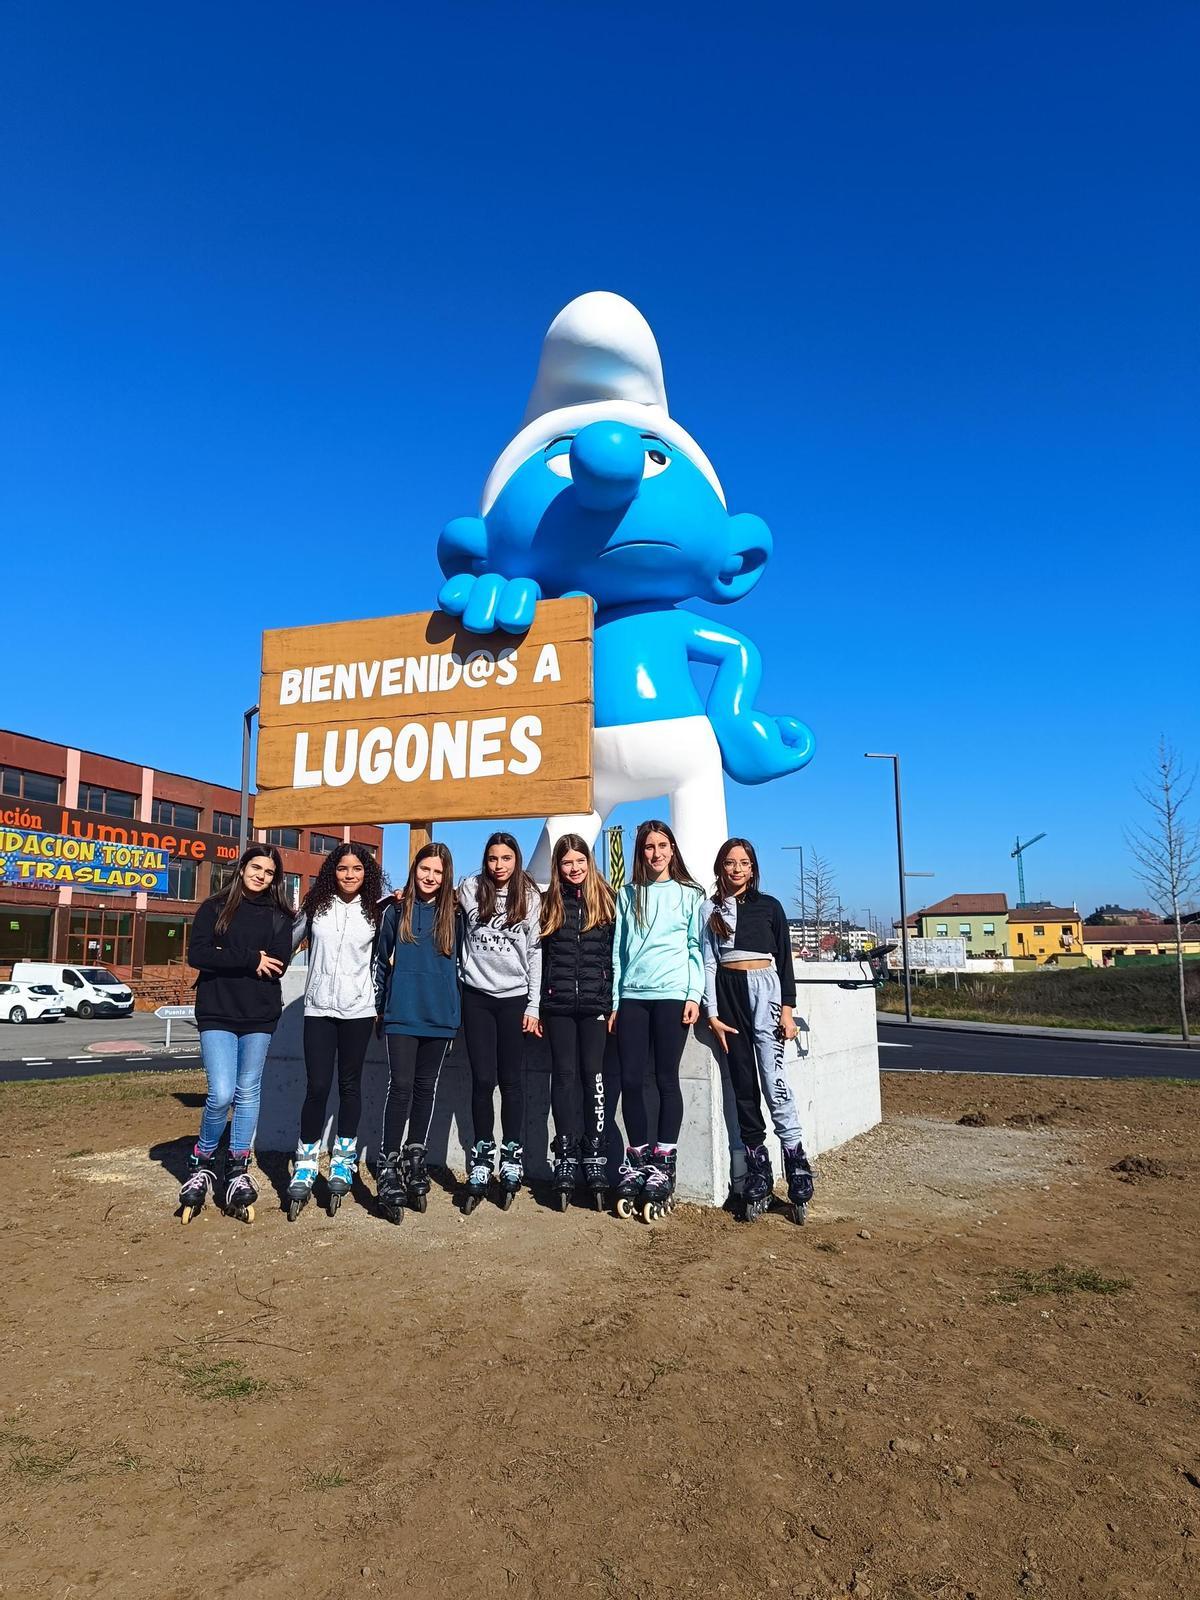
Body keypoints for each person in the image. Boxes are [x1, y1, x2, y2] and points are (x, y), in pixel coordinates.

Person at [701, 837, 815, 1223]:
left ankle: (796, 1160)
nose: (736, 869)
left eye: (743, 863)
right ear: (721, 867)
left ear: (753, 868)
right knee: (743, 1083)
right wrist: (712, 1013)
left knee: (773, 1079)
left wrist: (787, 1011)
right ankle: (757, 1167)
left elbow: (784, 960)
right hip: (728, 996)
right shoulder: (710, 909)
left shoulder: (770, 907)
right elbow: (709, 964)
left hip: (764, 992)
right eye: (730, 863)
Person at [178, 845, 294, 1223]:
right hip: (216, 1012)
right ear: (242, 868)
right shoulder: (213, 908)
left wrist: (226, 953)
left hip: (259, 1015)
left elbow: (276, 964)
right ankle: (202, 1160)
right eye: (256, 867)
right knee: (221, 1092)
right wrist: (249, 959)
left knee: (247, 1092)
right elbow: (198, 955)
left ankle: (238, 1166)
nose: (261, 875)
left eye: (269, 872)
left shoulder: (280, 916)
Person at [610, 818, 704, 1221]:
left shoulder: (690, 895)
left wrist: (693, 994)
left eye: (663, 846)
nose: (656, 853)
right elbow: (618, 952)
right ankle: (637, 1156)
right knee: (630, 1080)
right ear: (640, 852)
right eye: (649, 847)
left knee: (665, 1078)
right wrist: (615, 1000)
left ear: (672, 849)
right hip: (632, 997)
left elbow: (695, 947)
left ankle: (664, 1159)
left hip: (671, 997)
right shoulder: (627, 894)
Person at [286, 843, 384, 1221]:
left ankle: (343, 1159)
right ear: (333, 871)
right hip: (318, 1009)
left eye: (357, 868)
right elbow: (287, 944)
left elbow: (383, 958)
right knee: (317, 1087)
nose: (349, 875)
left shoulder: (376, 910)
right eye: (342, 868)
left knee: (350, 1086)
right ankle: (307, 1161)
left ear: (366, 873)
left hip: (359, 1011)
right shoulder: (316, 906)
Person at [371, 842, 461, 1223]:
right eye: (425, 869)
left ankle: (415, 1155)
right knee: (401, 1086)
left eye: (438, 872)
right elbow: (379, 959)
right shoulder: (395, 911)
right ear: (414, 870)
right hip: (402, 1014)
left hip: (440, 1016)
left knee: (427, 1088)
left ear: (446, 878)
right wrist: (378, 1008)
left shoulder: (456, 916)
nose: (430, 877)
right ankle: (388, 1164)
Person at [458, 832, 542, 1212]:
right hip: (476, 996)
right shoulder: (470, 888)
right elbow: (437, 897)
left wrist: (534, 1005)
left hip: (514, 999)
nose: (499, 865)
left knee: (512, 1081)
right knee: (481, 1080)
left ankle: (512, 1155)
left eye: (506, 858)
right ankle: (481, 1157)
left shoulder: (530, 896)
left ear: (516, 859)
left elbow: (536, 955)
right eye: (493, 858)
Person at [539, 833, 616, 1210]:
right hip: (558, 1007)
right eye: (567, 863)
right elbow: (538, 958)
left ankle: (595, 1152)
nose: (574, 869)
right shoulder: (548, 904)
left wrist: (611, 1001)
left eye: (580, 861)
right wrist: (537, 1005)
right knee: (564, 1078)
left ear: (590, 862)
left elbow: (616, 956)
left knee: (594, 1077)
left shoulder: (607, 901)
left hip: (595, 1007)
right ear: (558, 866)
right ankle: (566, 1151)